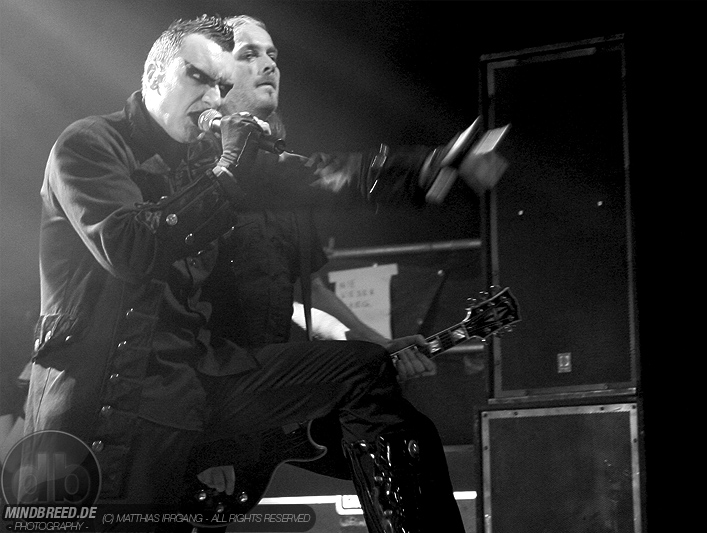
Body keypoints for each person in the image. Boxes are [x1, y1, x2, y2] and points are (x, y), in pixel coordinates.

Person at [24, 12, 506, 533]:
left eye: (220, 85)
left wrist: (429, 167)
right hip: (93, 408)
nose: (212, 97)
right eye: (199, 78)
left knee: (363, 369)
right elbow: (131, 248)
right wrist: (228, 169)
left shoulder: (205, 162)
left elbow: (311, 176)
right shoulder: (90, 144)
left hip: (182, 393)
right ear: (155, 74)